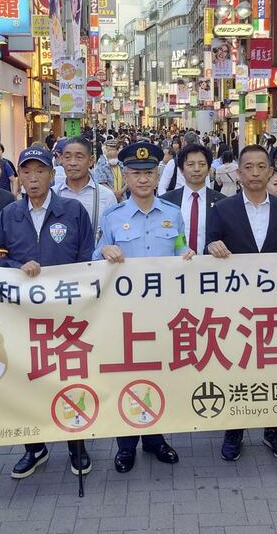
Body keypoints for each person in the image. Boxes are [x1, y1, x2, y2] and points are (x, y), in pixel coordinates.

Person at [0, 146, 95, 480]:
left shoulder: (73, 210)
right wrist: (18, 266)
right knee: (27, 379)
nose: (33, 179)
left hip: (67, 313)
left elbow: (87, 256)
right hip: (22, 315)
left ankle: (76, 444)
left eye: (40, 172)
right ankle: (33, 448)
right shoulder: (9, 214)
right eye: (26, 172)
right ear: (18, 176)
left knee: (70, 377)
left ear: (53, 175)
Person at [206, 145, 277, 462]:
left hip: (275, 308)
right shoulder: (222, 209)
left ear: (271, 172)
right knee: (237, 368)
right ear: (238, 173)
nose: (254, 173)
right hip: (234, 308)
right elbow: (207, 249)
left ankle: (274, 431)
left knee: (274, 369)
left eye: (261, 167)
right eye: (248, 167)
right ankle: (234, 430)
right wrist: (212, 246)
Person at [95, 142, 194, 473]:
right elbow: (94, 261)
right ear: (126, 175)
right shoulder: (112, 217)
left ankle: (156, 439)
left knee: (160, 376)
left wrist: (188, 255)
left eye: (148, 173)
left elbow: (182, 249)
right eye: (135, 173)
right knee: (127, 379)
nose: (142, 179)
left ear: (157, 176)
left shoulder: (172, 214)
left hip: (164, 313)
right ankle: (126, 445)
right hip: (125, 316)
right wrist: (105, 251)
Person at [161, 143, 227, 254]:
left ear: (209, 169)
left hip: (209, 267)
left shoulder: (222, 203)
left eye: (202, 164)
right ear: (181, 170)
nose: (197, 169)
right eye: (190, 164)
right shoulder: (166, 201)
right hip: (175, 267)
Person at [51, 137, 116, 240]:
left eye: (79, 157)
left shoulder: (106, 196)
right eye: (67, 157)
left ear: (91, 160)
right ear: (61, 159)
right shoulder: (52, 194)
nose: (72, 163)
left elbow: (113, 234)